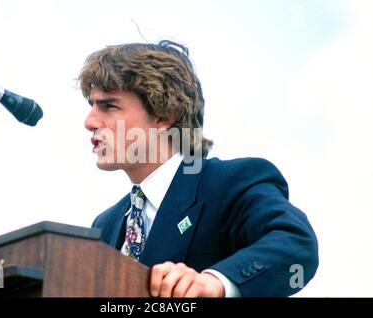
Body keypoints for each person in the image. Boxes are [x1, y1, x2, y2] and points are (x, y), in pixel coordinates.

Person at [78, 40, 319, 297]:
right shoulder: (105, 225)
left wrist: (214, 283)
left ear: (164, 114)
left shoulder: (231, 183)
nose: (89, 121)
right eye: (91, 105)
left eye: (109, 105)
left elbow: (297, 246)